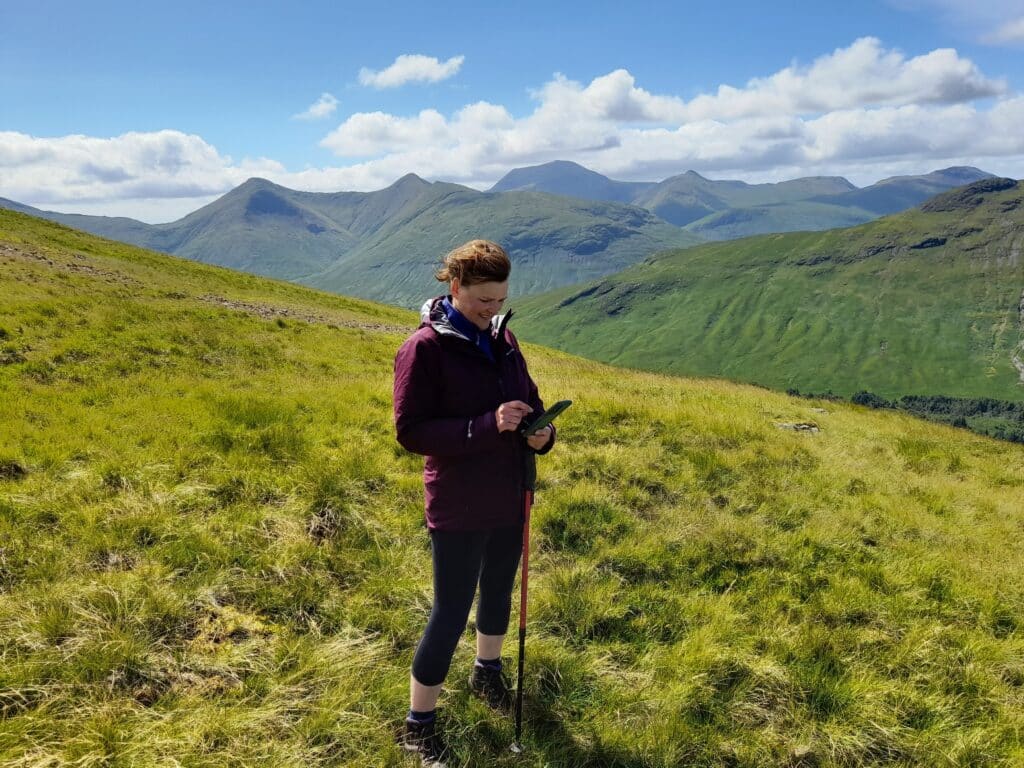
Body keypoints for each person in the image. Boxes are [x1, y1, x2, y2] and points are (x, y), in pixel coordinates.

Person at [392, 239, 556, 766]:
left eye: (500, 300)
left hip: (511, 490)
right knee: (449, 610)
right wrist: (487, 425)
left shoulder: (504, 341)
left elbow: (529, 402)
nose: (492, 312)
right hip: (459, 500)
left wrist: (540, 435)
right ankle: (419, 726)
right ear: (456, 288)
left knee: (499, 591)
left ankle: (487, 673)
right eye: (483, 301)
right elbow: (412, 430)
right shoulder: (424, 349)